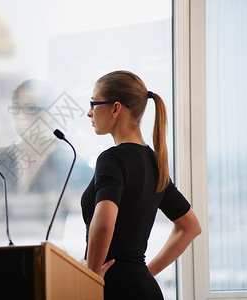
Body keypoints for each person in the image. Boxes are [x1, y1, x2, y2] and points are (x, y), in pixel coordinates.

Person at [80, 70, 201, 299]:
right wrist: (145, 273)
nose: (89, 112)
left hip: (115, 290)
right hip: (144, 289)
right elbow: (190, 227)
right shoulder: (155, 162)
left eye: (94, 103)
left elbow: (105, 223)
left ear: (116, 108)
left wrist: (91, 277)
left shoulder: (111, 159)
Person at [0, 79, 92, 245]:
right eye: (16, 109)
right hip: (5, 261)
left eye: (30, 109)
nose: (20, 116)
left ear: (49, 113)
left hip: (53, 264)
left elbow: (100, 216)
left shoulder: (69, 162)